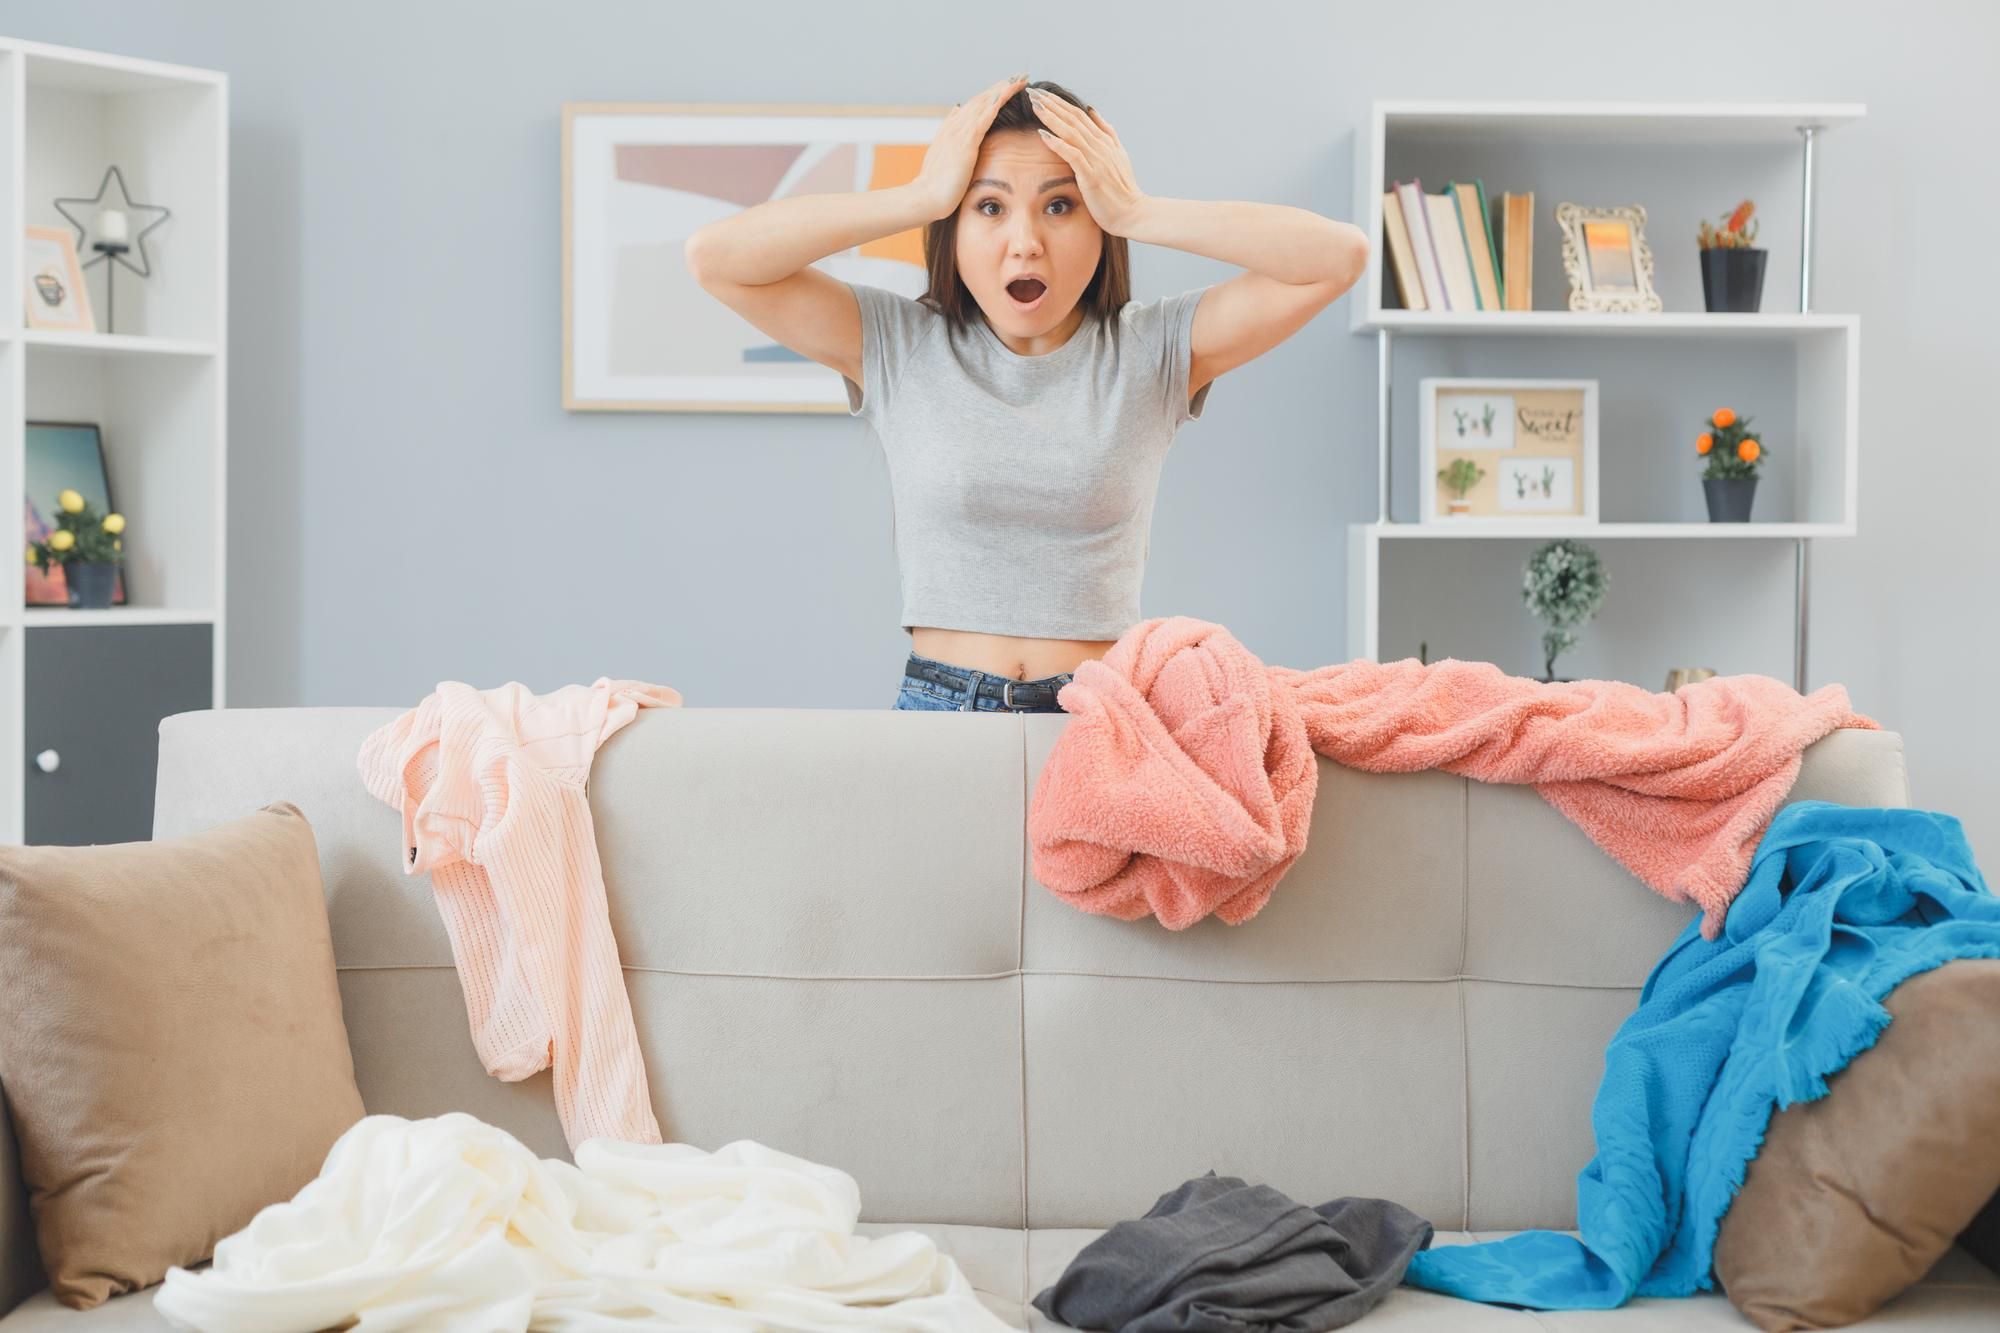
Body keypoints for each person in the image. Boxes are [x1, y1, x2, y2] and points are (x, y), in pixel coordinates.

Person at [687, 74, 1368, 713]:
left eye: (1061, 205)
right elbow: (717, 259)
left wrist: (1137, 208)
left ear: (1098, 223)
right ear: (955, 228)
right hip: (939, 709)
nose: (1026, 243)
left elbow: (1339, 257)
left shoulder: (1152, 350)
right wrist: (919, 197)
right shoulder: (899, 345)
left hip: (1099, 715)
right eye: (989, 206)